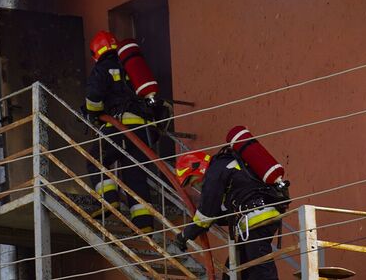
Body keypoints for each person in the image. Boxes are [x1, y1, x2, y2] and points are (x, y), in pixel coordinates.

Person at [82, 30, 161, 233]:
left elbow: (93, 97)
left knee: (95, 158)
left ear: (96, 53)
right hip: (144, 129)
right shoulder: (130, 66)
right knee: (134, 173)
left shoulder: (103, 67)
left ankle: (108, 200)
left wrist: (92, 113)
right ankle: (144, 222)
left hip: (122, 126)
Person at [171, 146, 291, 280]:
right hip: (256, 217)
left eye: (193, 180)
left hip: (257, 217)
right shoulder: (224, 166)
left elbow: (205, 214)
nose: (195, 185)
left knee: (259, 266)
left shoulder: (214, 171)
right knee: (234, 269)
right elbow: (218, 212)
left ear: (198, 167)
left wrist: (184, 236)